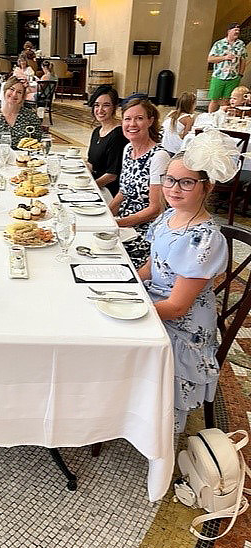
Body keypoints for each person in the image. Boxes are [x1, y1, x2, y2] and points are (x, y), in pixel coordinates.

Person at [139, 132, 236, 432]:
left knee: (108, 331)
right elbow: (151, 268)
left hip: (181, 325)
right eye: (169, 179)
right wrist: (124, 282)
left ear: (208, 186)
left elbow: (178, 307)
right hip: (157, 302)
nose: (173, 189)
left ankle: (148, 420)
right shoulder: (170, 217)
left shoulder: (203, 238)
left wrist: (131, 310)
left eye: (186, 182)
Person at [109, 98, 170, 268]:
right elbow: (123, 192)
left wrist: (117, 223)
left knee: (108, 258)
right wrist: (105, 215)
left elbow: (155, 209)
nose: (132, 124)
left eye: (139, 118)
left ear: (150, 121)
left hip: (145, 230)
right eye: (127, 119)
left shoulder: (159, 156)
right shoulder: (128, 149)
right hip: (124, 222)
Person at [85, 85, 127, 198]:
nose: (100, 110)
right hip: (96, 184)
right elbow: (91, 163)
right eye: (97, 105)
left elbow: (112, 175)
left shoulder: (118, 135)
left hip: (108, 190)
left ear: (114, 107)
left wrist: (89, 188)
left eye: (106, 105)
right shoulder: (97, 131)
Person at [0, 76, 43, 149]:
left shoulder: (31, 116)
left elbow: (38, 143)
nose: (14, 94)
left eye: (19, 92)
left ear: (23, 97)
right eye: (12, 89)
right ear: (5, 91)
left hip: (25, 158)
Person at [207, 22, 247, 113]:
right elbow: (210, 59)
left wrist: (240, 74)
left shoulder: (241, 44)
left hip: (233, 77)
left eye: (238, 30)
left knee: (228, 100)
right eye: (235, 30)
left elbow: (243, 60)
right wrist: (224, 58)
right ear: (229, 31)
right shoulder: (219, 44)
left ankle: (224, 118)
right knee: (214, 99)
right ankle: (210, 117)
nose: (237, 32)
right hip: (218, 76)